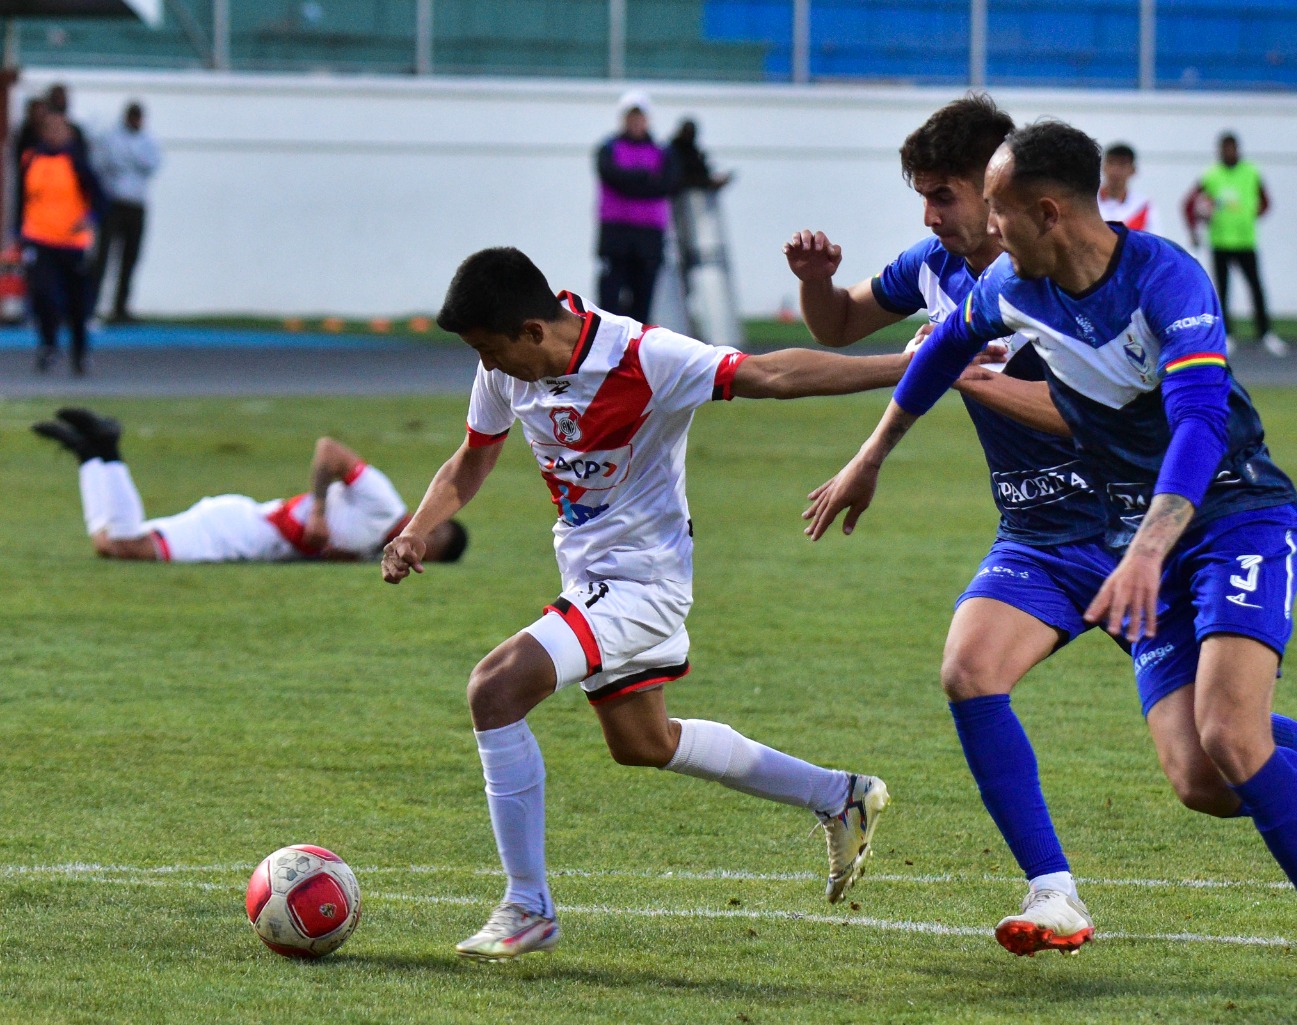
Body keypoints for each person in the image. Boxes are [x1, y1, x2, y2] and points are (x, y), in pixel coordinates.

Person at [805, 121, 1297, 1025]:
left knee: (1234, 739)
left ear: (1046, 211)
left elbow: (1200, 426)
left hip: (1237, 515)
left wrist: (1151, 546)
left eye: (996, 212)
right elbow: (941, 350)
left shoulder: (1167, 280)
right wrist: (872, 455)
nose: (982, 235)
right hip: (1130, 535)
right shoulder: (1013, 282)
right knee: (1201, 780)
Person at [382, 246, 922, 961]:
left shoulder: (644, 357)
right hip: (591, 579)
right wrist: (419, 527)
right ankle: (838, 792)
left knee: (494, 688)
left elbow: (770, 372)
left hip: (644, 584)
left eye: (492, 349)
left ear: (533, 331)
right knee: (643, 743)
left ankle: (527, 904)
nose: (489, 365)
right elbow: (473, 456)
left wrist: (914, 365)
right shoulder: (503, 369)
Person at [32, 407, 465, 564]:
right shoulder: (383, 504)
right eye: (425, 546)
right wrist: (316, 509)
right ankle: (105, 448)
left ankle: (90, 455)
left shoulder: (377, 545)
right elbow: (329, 449)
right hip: (237, 533)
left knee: (108, 543)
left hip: (240, 529)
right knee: (123, 547)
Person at [15, 111, 104, 374]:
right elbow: (23, 199)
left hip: (71, 242)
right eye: (49, 128)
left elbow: (99, 197)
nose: (53, 134)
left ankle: (80, 352)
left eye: (59, 129)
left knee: (77, 302)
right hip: (39, 238)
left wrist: (90, 218)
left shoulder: (77, 160)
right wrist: (17, 232)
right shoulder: (31, 159)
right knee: (43, 295)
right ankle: (49, 346)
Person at [1183, 132, 1287, 356]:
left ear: (1238, 149)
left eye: (1231, 148)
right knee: (1223, 290)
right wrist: (1196, 228)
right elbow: (1189, 203)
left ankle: (1265, 333)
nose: (1228, 152)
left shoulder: (1251, 172)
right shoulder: (1211, 175)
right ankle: (1227, 334)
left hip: (1245, 240)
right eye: (1224, 148)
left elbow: (1265, 201)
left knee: (1256, 287)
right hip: (1220, 241)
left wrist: (1250, 215)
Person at [595, 91, 678, 323]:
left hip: (648, 236)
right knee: (609, 301)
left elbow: (667, 184)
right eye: (631, 116)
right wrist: (645, 178)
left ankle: (635, 354)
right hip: (616, 233)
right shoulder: (608, 148)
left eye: (639, 116)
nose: (635, 122)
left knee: (643, 301)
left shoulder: (662, 152)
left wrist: (631, 181)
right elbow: (612, 175)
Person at [91, 101, 161, 323]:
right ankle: (91, 305)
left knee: (130, 257)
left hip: (136, 205)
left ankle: (120, 307)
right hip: (114, 203)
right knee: (103, 256)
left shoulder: (148, 140)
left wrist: (130, 159)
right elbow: (105, 164)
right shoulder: (111, 137)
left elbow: (151, 165)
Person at [1098, 143, 1161, 236]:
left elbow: (1155, 243)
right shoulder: (1087, 201)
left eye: (1122, 164)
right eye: (1111, 163)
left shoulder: (1143, 207)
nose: (1115, 170)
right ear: (1103, 167)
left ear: (1133, 170)